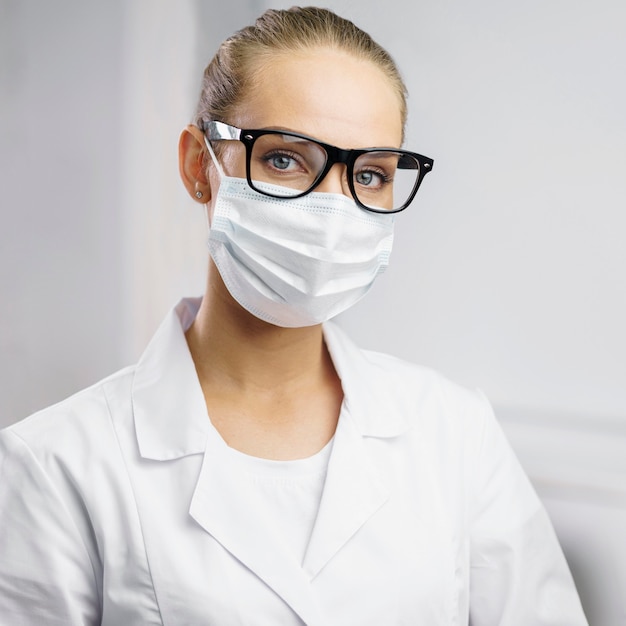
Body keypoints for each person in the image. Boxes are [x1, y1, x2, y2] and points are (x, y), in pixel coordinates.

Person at [0, 6, 588, 625]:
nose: (334, 211)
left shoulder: (454, 433)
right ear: (201, 165)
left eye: (369, 174)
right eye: (285, 159)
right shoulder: (55, 464)